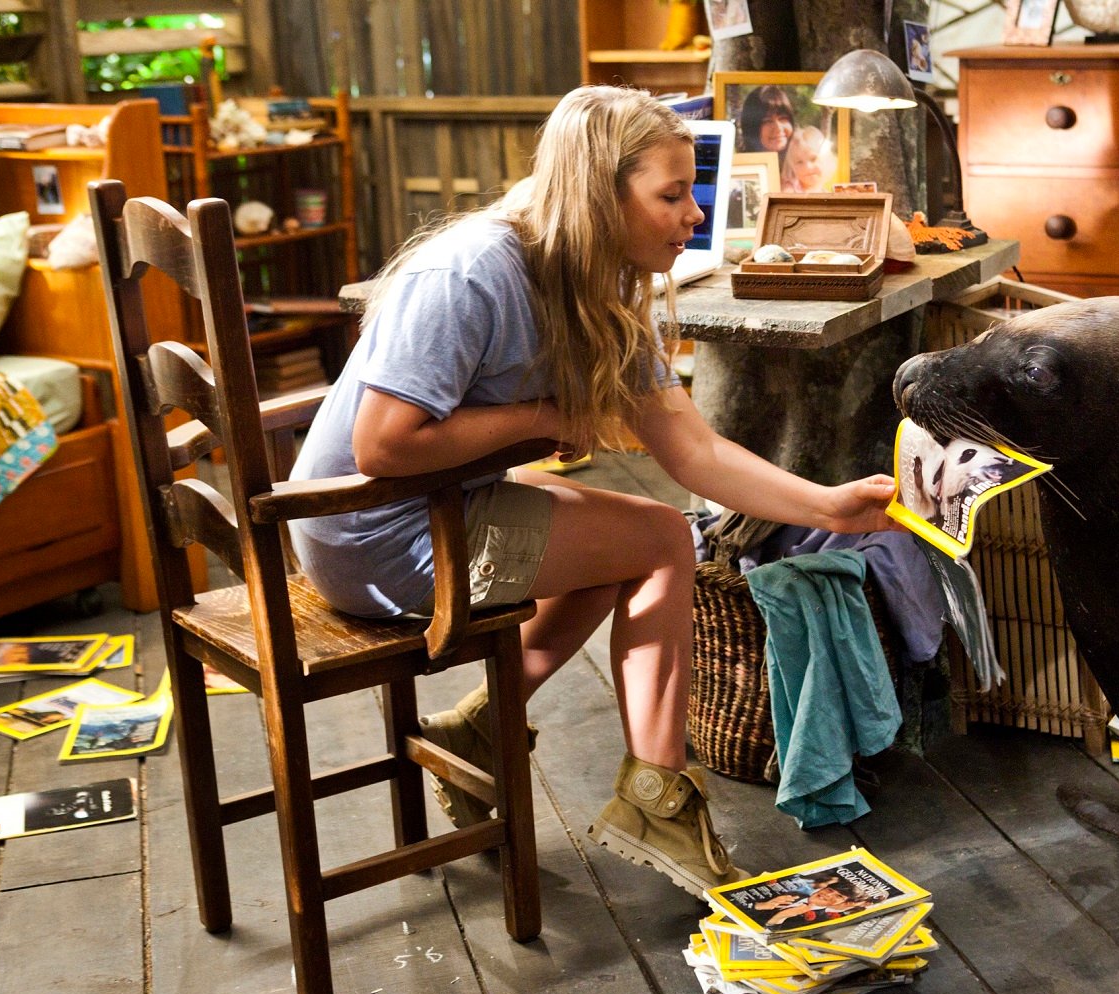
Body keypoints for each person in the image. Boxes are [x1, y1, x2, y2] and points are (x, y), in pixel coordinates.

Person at [288, 85, 896, 901]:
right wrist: (540, 416)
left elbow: (695, 449)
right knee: (659, 541)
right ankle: (657, 797)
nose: (693, 215)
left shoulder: (598, 289)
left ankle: (482, 724)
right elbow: (383, 444)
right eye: (671, 194)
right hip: (366, 534)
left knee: (629, 543)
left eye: (694, 192)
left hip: (431, 511)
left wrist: (829, 505)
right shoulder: (470, 273)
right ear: (596, 196)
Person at [737, 84, 795, 157]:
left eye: (783, 118)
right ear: (751, 128)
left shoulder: (805, 161)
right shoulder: (742, 167)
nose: (778, 128)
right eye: (768, 121)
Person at [780, 125, 832, 194]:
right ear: (792, 167)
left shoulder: (824, 191)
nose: (808, 167)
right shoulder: (790, 191)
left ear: (826, 160)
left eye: (813, 159)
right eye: (799, 162)